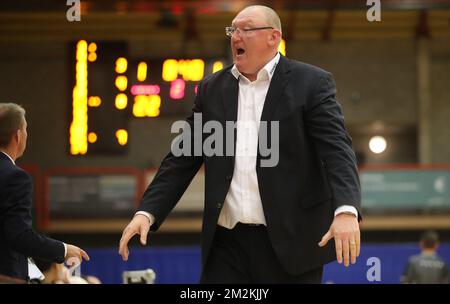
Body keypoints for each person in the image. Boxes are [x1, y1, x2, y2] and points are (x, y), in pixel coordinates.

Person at [119, 5, 361, 283]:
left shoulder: (311, 83)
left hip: (291, 242)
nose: (236, 36)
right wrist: (147, 212)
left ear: (273, 37)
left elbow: (337, 151)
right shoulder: (212, 88)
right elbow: (182, 158)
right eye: (232, 29)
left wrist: (346, 210)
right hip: (226, 244)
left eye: (246, 29)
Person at [0, 103, 90, 281]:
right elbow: (19, 236)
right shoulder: (15, 177)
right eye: (25, 129)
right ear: (18, 136)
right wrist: (64, 250)